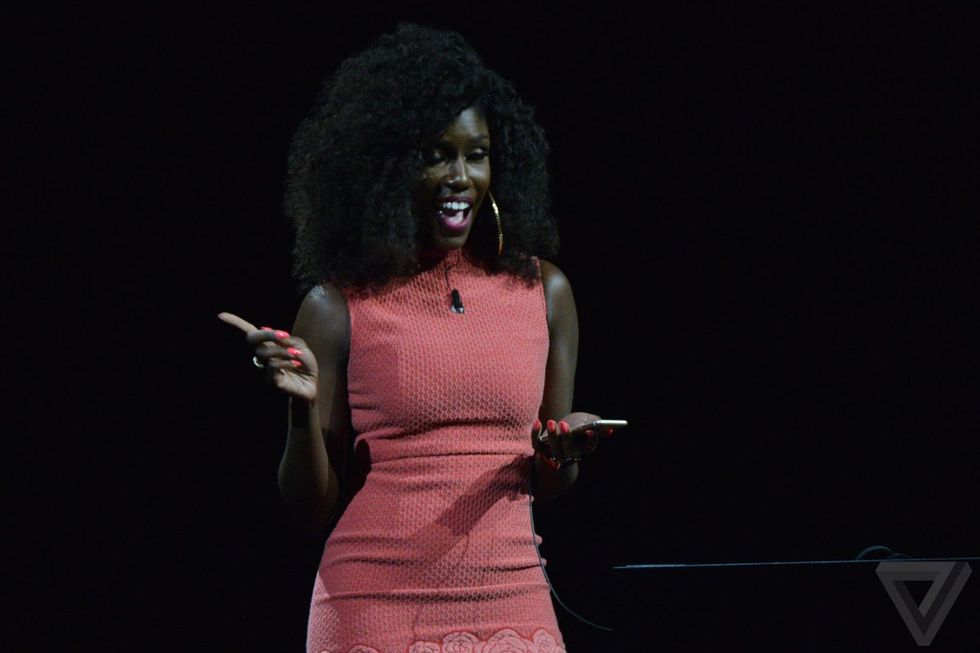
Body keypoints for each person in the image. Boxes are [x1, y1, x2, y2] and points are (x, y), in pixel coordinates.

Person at [219, 23, 613, 653]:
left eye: (475, 154)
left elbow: (548, 486)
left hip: (513, 595)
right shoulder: (337, 304)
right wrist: (299, 409)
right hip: (373, 605)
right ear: (388, 167)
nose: (459, 175)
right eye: (434, 155)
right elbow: (310, 509)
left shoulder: (547, 293)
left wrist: (560, 454)